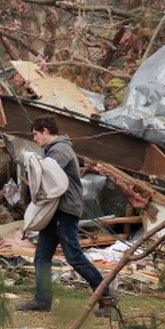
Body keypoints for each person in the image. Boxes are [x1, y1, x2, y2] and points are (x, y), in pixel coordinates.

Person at [18, 115, 116, 315]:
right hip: (55, 210)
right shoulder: (53, 150)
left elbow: (47, 175)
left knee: (74, 256)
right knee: (42, 257)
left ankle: (106, 296)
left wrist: (31, 161)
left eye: (36, 134)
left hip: (64, 210)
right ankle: (42, 300)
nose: (34, 138)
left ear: (46, 131)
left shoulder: (60, 150)